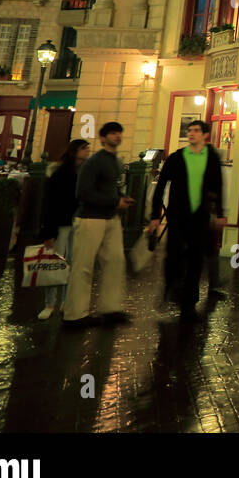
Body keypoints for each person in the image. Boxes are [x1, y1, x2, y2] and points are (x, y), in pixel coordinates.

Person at [148, 120, 227, 321]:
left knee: (196, 258)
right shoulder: (177, 157)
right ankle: (172, 288)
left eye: (196, 130)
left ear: (205, 135)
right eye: (189, 130)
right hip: (177, 215)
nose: (191, 133)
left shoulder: (211, 159)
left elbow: (218, 187)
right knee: (173, 255)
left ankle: (189, 303)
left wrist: (219, 213)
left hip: (199, 216)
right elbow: (161, 185)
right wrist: (155, 216)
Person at [64, 122, 133, 329]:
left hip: (110, 217)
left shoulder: (114, 161)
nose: (117, 136)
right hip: (90, 218)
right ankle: (74, 315)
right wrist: (115, 202)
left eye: (119, 133)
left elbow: (109, 187)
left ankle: (110, 307)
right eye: (113, 133)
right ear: (103, 138)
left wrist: (120, 198)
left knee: (115, 261)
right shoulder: (94, 162)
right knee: (83, 266)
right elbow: (83, 193)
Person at [38, 139, 90, 320]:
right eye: (84, 149)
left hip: (77, 222)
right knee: (55, 263)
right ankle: (50, 303)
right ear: (75, 151)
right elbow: (51, 202)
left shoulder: (84, 171)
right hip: (61, 222)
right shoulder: (60, 173)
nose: (87, 151)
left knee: (73, 263)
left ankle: (66, 301)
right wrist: (48, 230)